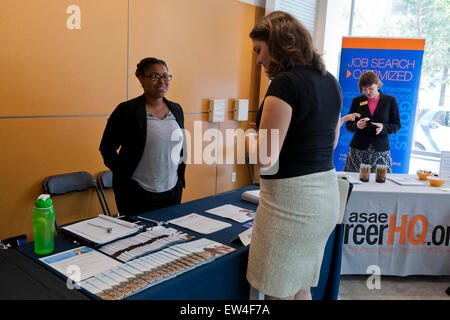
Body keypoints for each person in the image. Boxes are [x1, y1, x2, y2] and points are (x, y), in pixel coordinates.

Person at [245, 11, 342, 300]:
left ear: (277, 44)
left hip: (292, 204)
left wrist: (248, 138)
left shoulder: (285, 83)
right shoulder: (330, 81)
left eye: (259, 50)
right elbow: (331, 142)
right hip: (325, 196)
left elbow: (265, 156)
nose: (259, 59)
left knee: (278, 291)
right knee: (300, 286)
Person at [99, 57, 186, 216]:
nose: (162, 81)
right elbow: (106, 148)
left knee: (171, 235)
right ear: (140, 78)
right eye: (154, 76)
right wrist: (124, 174)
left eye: (165, 76)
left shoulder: (176, 109)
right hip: (137, 193)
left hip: (172, 190)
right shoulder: (127, 111)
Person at [343, 71, 401, 173]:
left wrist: (383, 127)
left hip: (380, 151)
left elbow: (396, 125)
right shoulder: (357, 101)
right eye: (364, 89)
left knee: (380, 185)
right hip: (357, 151)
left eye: (371, 88)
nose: (368, 92)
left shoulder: (390, 101)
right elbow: (348, 126)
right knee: (353, 184)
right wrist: (357, 125)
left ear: (378, 84)